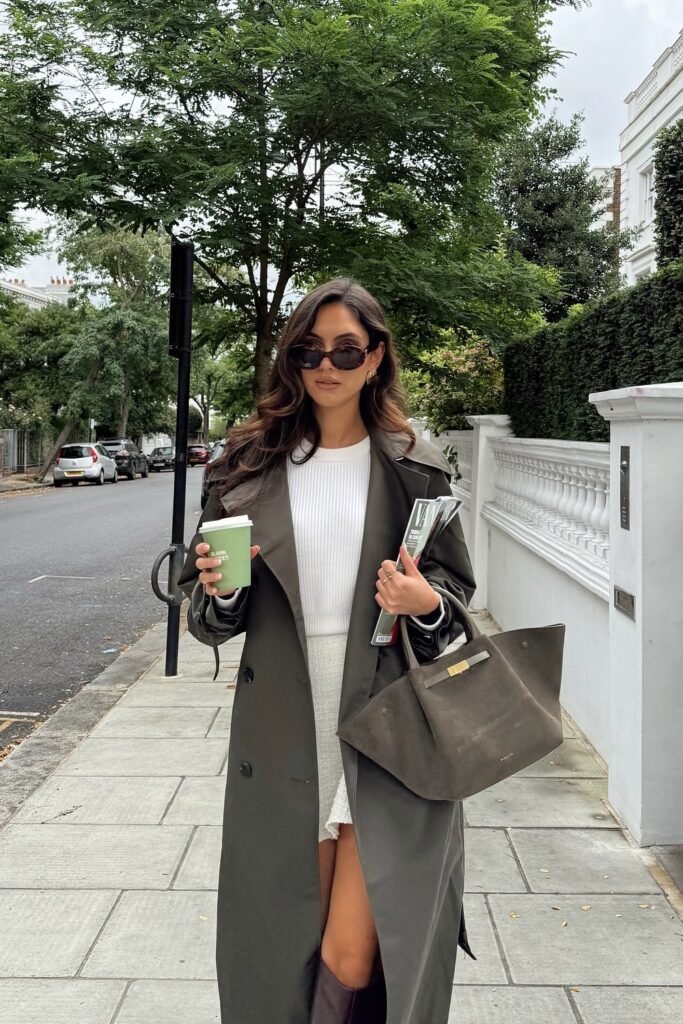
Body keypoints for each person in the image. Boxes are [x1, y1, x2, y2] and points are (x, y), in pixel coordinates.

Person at [178, 278, 477, 1024]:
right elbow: (207, 619)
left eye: (347, 349)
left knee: (357, 951)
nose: (327, 365)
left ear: (376, 357)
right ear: (291, 358)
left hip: (387, 719)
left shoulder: (413, 463)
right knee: (288, 941)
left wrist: (425, 602)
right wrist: (220, 594)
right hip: (287, 722)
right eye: (310, 349)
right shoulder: (246, 463)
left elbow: (455, 602)